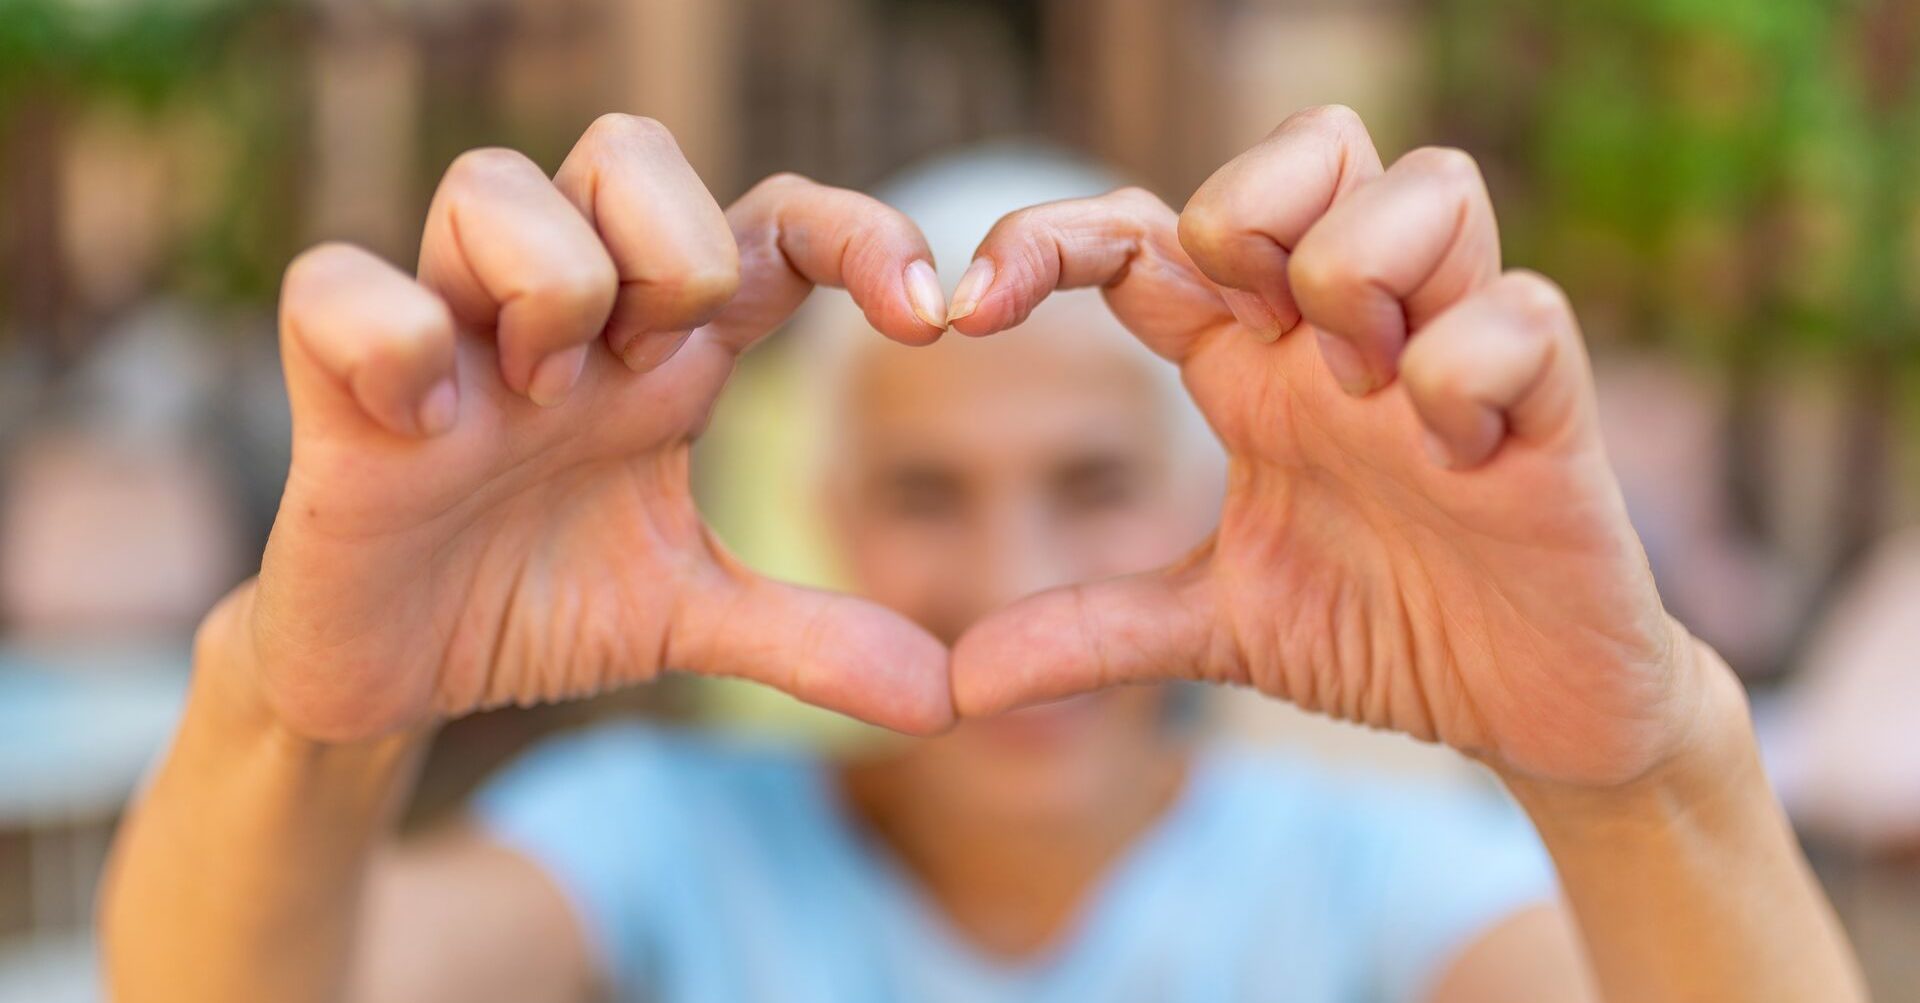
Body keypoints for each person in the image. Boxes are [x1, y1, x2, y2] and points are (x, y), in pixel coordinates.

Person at [99, 108, 1865, 1003]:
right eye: (929, 493)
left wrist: (1638, 773)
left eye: (1092, 478)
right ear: (839, 517)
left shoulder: (1377, 875)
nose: (1010, 566)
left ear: (1210, 495)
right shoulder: (653, 835)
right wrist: (298, 717)